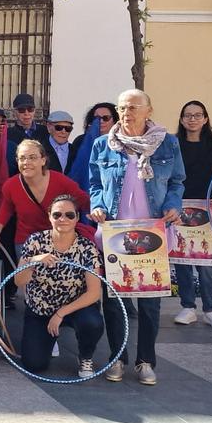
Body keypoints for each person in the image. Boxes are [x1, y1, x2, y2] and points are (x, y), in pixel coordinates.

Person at [89, 88, 186, 385]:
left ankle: (145, 360)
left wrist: (172, 205)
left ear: (148, 109)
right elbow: (94, 182)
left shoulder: (167, 143)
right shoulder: (104, 144)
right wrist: (97, 205)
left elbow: (177, 181)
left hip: (151, 232)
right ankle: (117, 358)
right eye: (121, 108)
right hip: (116, 231)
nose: (126, 113)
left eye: (132, 107)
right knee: (114, 301)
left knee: (149, 304)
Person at [15, 195, 105, 377]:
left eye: (69, 215)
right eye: (57, 215)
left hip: (75, 307)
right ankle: (48, 338)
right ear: (49, 217)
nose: (63, 219)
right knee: (34, 364)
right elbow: (19, 281)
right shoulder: (35, 242)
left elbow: (94, 292)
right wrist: (33, 260)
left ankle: (86, 357)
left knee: (92, 322)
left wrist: (60, 313)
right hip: (41, 308)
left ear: (77, 218)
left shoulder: (87, 248)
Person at [174, 100, 212, 329]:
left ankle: (211, 309)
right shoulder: (173, 145)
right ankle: (188, 307)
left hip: (208, 211)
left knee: (207, 263)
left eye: (198, 115)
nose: (193, 119)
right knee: (182, 260)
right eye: (188, 115)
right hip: (178, 210)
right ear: (181, 119)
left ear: (205, 119)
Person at [0, 140, 89, 255]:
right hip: (26, 242)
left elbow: (84, 201)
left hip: (57, 240)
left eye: (32, 157)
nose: (26, 162)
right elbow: (6, 209)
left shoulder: (61, 181)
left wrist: (100, 214)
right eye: (22, 158)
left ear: (43, 160)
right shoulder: (10, 185)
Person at [6, 93, 51, 174]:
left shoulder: (45, 132)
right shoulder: (8, 134)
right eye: (21, 110)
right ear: (14, 112)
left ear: (34, 111)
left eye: (30, 109)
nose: (26, 113)